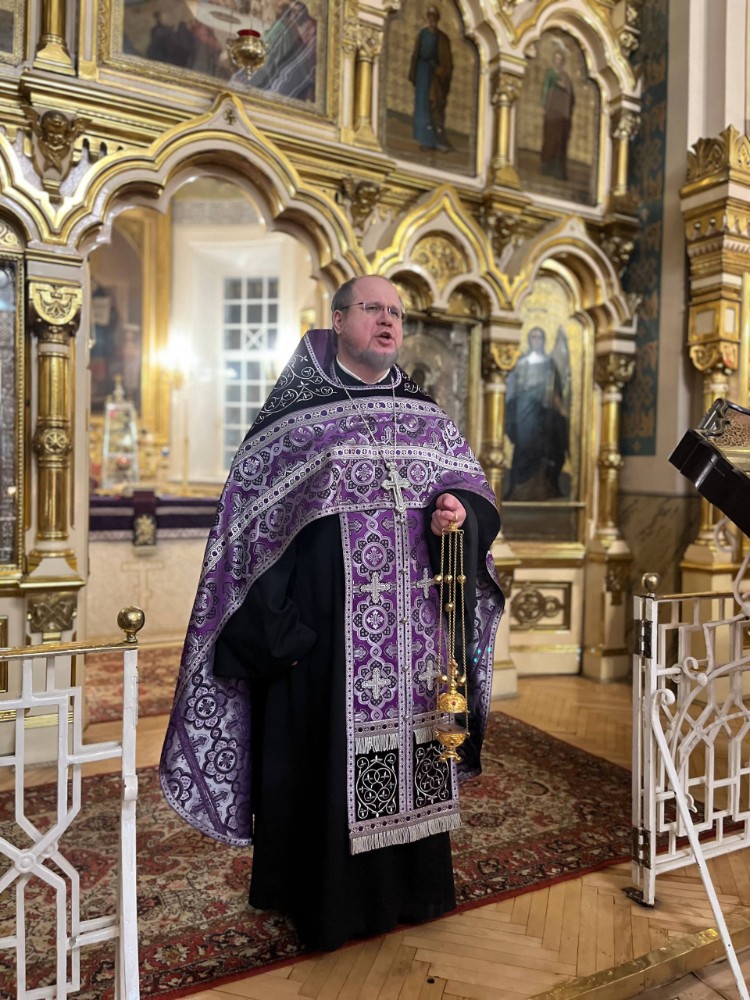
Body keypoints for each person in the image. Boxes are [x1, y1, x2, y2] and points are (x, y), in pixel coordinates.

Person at [160, 275, 504, 952]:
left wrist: (458, 512)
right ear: (339, 319)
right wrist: (285, 629)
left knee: (416, 749)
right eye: (373, 309)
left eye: (396, 312)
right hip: (324, 644)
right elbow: (248, 534)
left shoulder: (428, 417)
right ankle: (328, 904)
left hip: (416, 642)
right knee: (323, 765)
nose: (387, 321)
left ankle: (413, 890)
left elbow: (473, 491)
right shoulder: (293, 420)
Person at [504, 326, 569, 501]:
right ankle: (517, 487)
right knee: (524, 447)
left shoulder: (550, 364)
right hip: (525, 411)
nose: (536, 340)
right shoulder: (521, 362)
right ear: (529, 340)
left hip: (543, 415)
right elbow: (512, 388)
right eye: (533, 337)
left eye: (539, 337)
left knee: (547, 448)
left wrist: (562, 411)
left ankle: (546, 487)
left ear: (544, 340)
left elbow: (555, 392)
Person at [409, 5, 453, 152]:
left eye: (434, 17)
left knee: (434, 105)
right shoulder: (422, 34)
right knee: (422, 105)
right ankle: (424, 139)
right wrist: (415, 72)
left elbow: (446, 62)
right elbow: (416, 54)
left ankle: (436, 141)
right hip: (422, 73)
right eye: (430, 16)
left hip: (434, 77)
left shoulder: (442, 38)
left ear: (438, 19)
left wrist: (439, 71)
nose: (432, 19)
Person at [540, 48, 574, 180]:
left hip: (562, 114)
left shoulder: (565, 77)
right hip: (552, 112)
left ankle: (558, 169)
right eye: (556, 59)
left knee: (560, 142)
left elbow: (570, 94)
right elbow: (545, 90)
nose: (558, 62)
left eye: (560, 59)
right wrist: (545, 105)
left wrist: (564, 86)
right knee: (550, 138)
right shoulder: (550, 74)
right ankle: (546, 166)